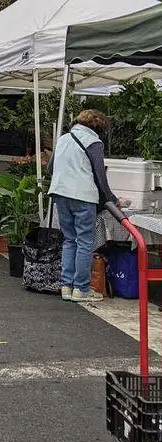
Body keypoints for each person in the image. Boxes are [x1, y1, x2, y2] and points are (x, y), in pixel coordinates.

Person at [48, 109, 128, 303]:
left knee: (69, 240)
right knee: (84, 243)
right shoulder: (94, 142)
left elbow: (50, 168)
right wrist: (113, 200)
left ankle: (66, 288)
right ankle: (81, 290)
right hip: (83, 197)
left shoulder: (64, 139)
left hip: (60, 193)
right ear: (99, 128)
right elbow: (100, 176)